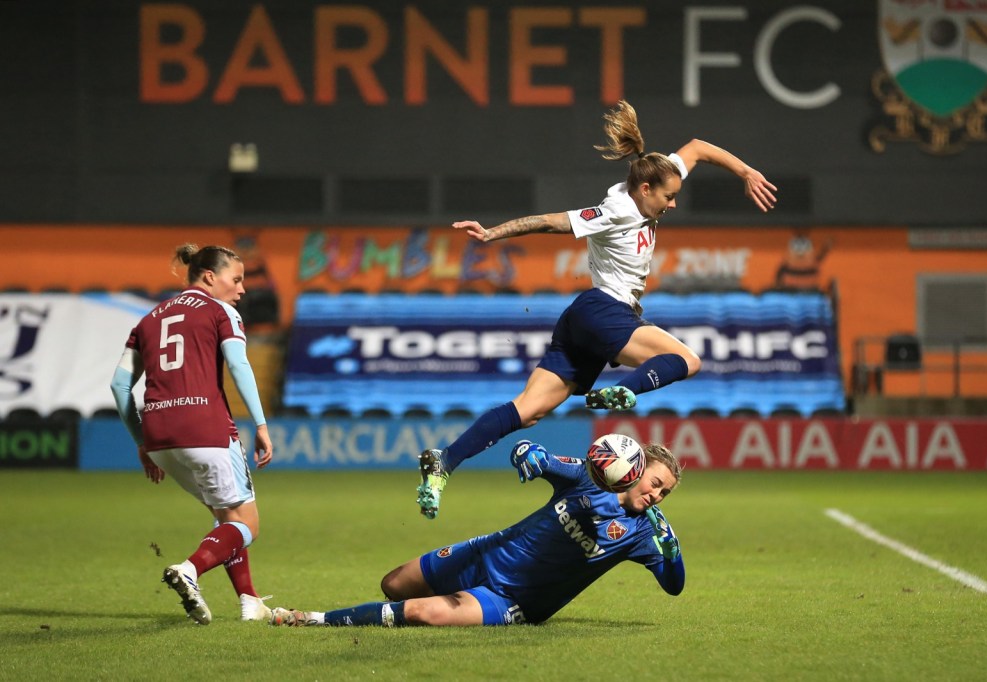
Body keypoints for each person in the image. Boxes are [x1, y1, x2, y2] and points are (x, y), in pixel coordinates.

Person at [417, 99, 777, 519]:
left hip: (583, 320)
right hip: (605, 309)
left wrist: (746, 172)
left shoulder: (652, 179)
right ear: (646, 189)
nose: (673, 204)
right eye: (669, 197)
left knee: (528, 410)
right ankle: (625, 391)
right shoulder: (616, 211)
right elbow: (550, 221)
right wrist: (493, 233)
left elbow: (697, 148)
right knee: (688, 360)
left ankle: (444, 461)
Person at [269, 437, 684, 628]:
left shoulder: (644, 533)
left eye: (664, 492)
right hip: (487, 552)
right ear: (635, 469)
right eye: (655, 483)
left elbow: (673, 586)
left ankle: (314, 619)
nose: (656, 495)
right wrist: (528, 453)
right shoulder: (586, 477)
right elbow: (533, 453)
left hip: (511, 599)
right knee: (393, 585)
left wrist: (672, 553)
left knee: (420, 613)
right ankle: (418, 607)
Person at [110, 243, 275, 625]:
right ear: (210, 277)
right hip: (205, 428)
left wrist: (141, 443)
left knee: (226, 517)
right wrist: (261, 424)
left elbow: (119, 386)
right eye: (236, 279)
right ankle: (189, 570)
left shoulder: (148, 320)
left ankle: (250, 601)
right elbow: (239, 364)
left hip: (158, 436)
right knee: (247, 525)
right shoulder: (221, 312)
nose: (242, 289)